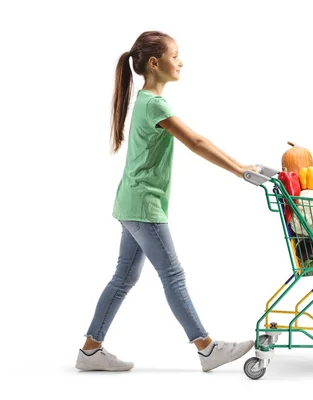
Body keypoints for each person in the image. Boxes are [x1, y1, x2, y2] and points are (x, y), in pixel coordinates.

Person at [76, 31, 257, 372]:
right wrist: (238, 170)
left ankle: (89, 351)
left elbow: (197, 141)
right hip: (144, 207)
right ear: (155, 63)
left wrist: (240, 168)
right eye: (176, 55)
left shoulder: (144, 101)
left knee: (124, 278)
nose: (181, 61)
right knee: (172, 275)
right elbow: (197, 142)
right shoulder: (155, 104)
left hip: (130, 204)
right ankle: (206, 348)